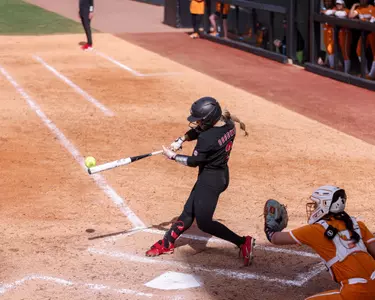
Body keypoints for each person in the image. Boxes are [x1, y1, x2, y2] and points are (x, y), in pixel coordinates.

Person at [145, 97, 256, 266]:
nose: (196, 123)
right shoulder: (228, 124)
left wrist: (173, 156)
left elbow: (194, 162)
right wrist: (181, 139)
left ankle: (242, 242)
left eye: (199, 120)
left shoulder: (207, 139)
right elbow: (200, 131)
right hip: (221, 174)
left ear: (209, 119)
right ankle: (167, 242)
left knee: (204, 223)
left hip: (210, 181)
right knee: (189, 211)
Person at [266, 185, 375, 299]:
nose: (314, 208)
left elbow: (275, 238)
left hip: (355, 293)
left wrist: (269, 229)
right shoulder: (358, 225)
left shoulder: (315, 230)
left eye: (316, 204)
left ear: (324, 205)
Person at [349, 0, 375, 79]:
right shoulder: (359, 9)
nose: (362, 1)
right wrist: (354, 5)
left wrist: (365, 21)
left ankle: (371, 75)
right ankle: (366, 73)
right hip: (364, 34)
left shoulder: (373, 8)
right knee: (359, 51)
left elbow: (372, 21)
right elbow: (350, 16)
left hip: (372, 33)